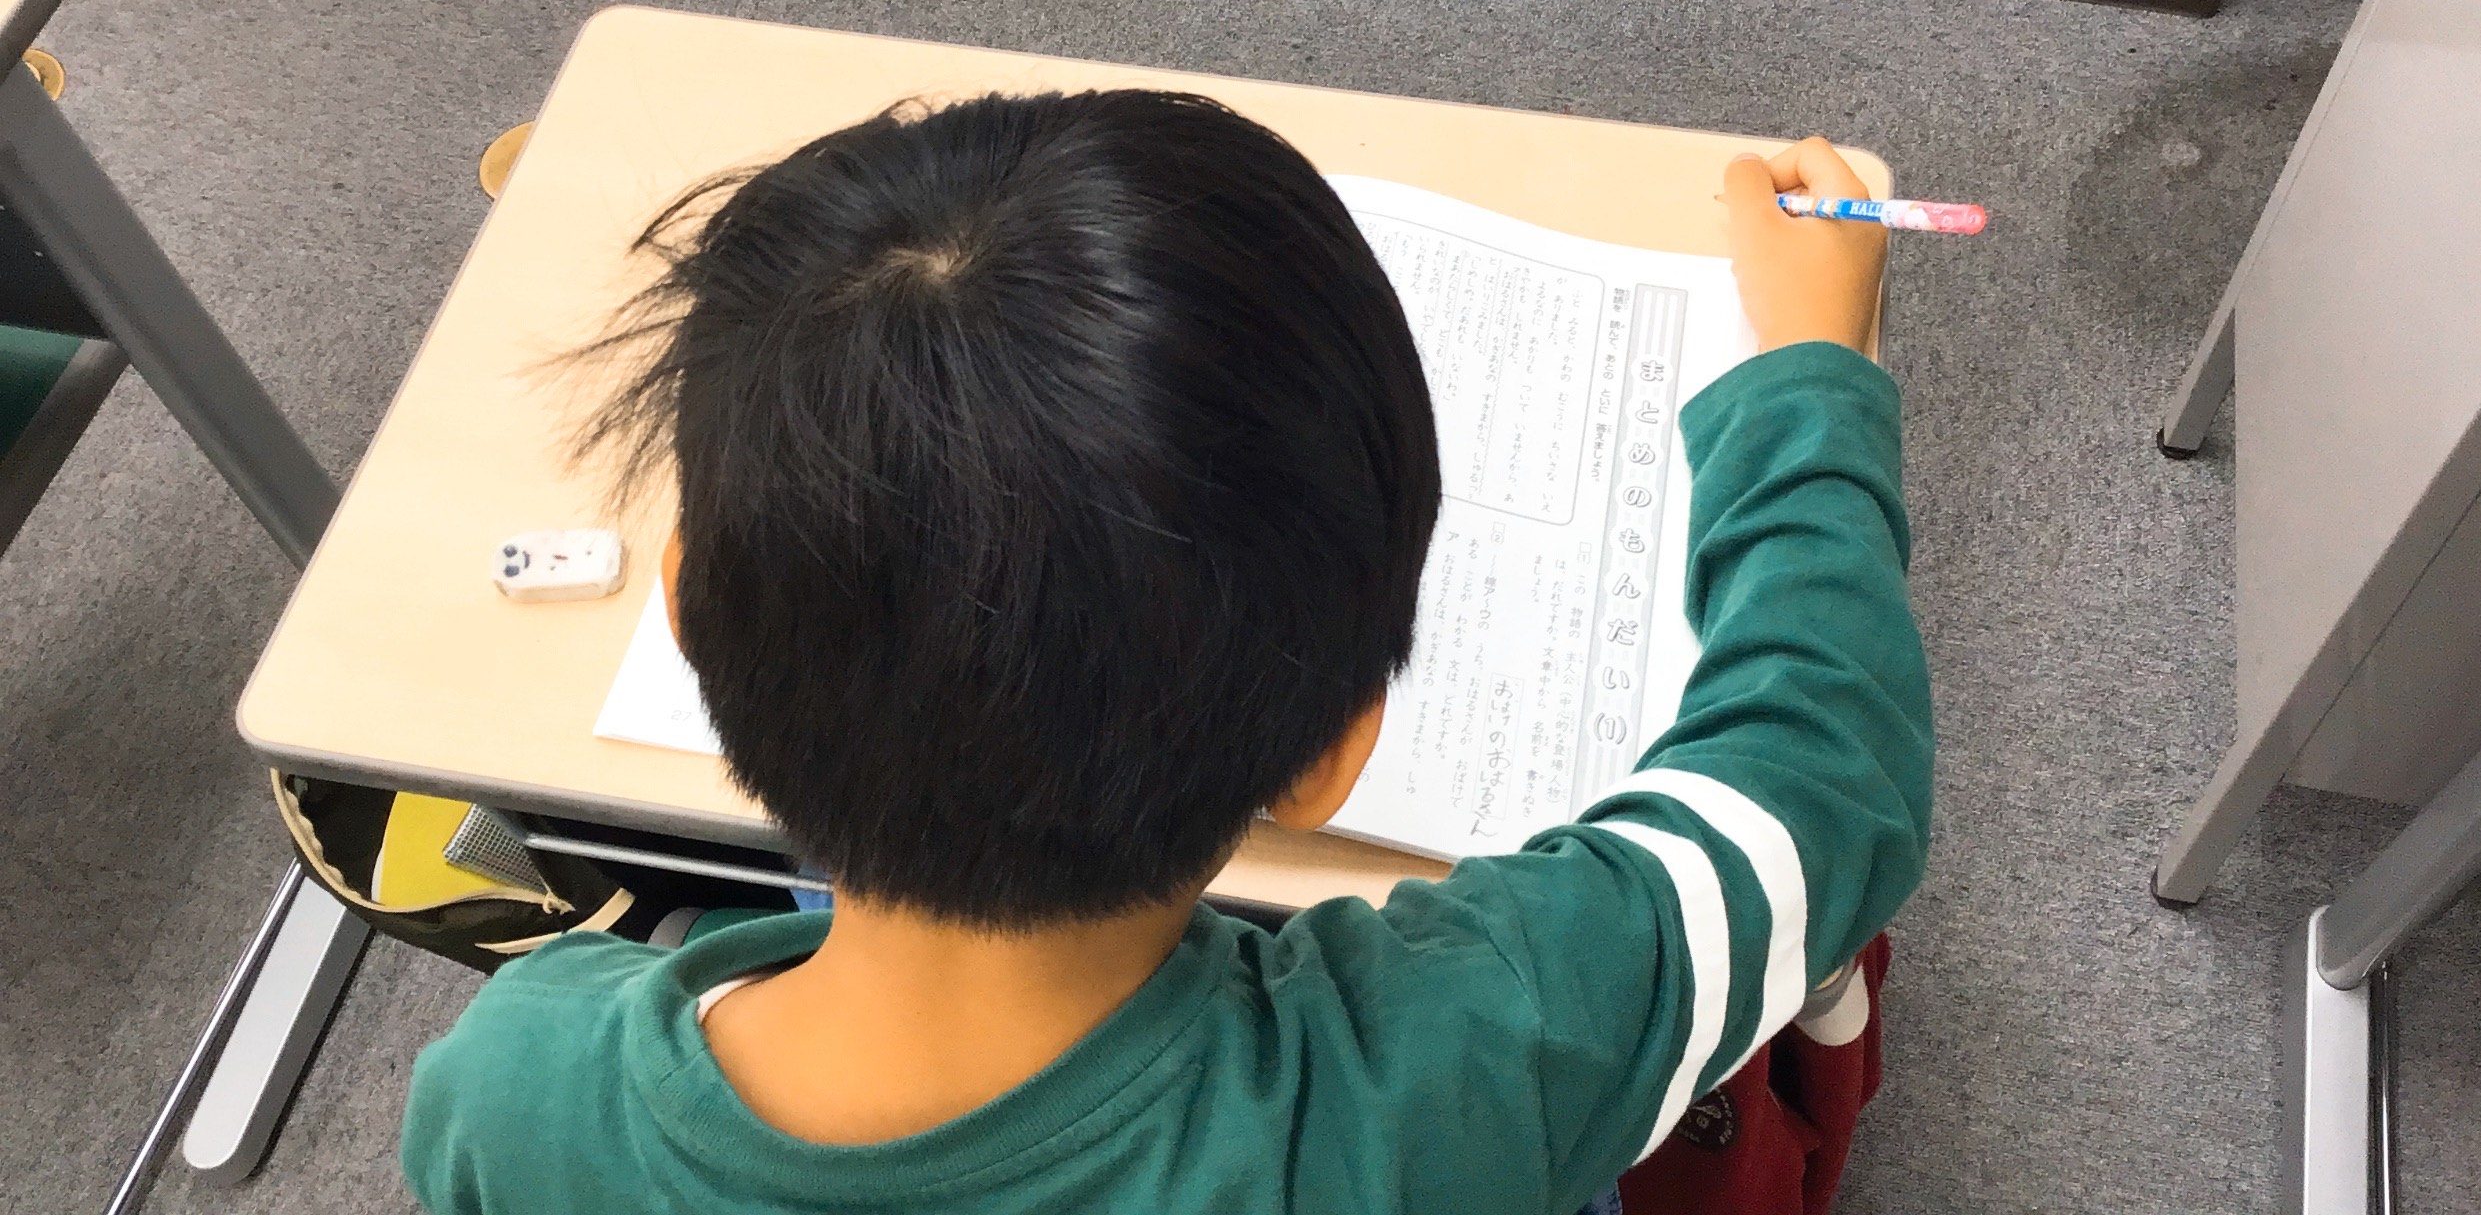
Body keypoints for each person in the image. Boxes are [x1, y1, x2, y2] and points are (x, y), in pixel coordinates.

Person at [401, 89, 1930, 1215]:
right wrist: (1809, 365)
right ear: (1332, 748)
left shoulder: (515, 1085)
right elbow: (1820, 776)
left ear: (685, 612)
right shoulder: (1440, 1074)